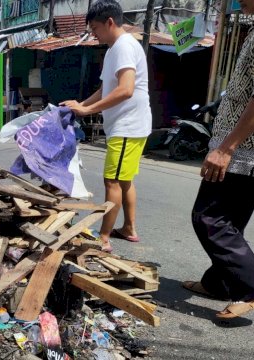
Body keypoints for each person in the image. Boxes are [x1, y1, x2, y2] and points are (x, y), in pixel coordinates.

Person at [183, 0, 254, 319]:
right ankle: (218, 283)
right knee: (231, 220)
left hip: (247, 147)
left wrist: (225, 148)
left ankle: (252, 289)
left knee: (209, 217)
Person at [60, 0, 152, 252]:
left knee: (111, 181)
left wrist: (87, 110)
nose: (94, 34)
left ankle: (103, 237)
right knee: (125, 181)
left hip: (127, 127)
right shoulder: (115, 49)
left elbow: (126, 89)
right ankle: (129, 228)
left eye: (96, 28)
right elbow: (106, 90)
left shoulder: (123, 47)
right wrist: (81, 104)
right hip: (130, 125)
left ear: (110, 22)